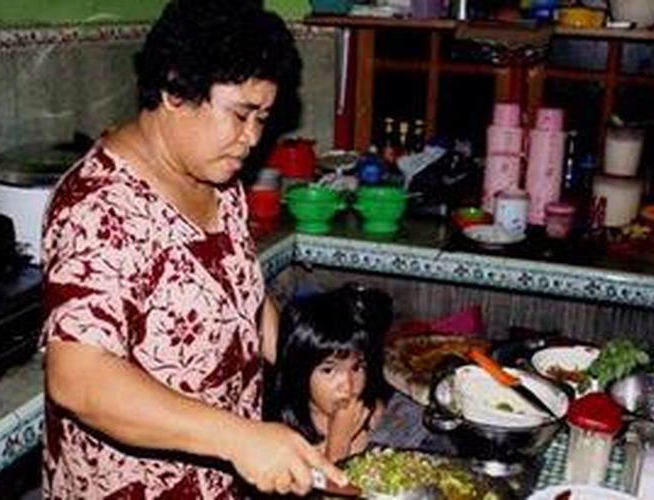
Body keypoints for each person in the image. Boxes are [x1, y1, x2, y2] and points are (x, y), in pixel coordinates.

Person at [39, 0, 347, 498]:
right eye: (240, 114)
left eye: (262, 118)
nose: (252, 138)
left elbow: (241, 298)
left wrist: (315, 373)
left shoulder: (216, 177)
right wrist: (239, 438)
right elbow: (79, 379)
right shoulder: (100, 206)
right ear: (175, 89)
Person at [271, 284, 393, 462]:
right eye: (328, 370)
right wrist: (339, 443)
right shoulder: (286, 438)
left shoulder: (371, 413)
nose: (348, 386)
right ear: (300, 372)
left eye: (357, 368)